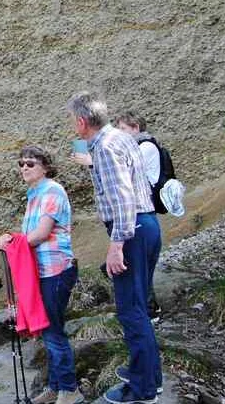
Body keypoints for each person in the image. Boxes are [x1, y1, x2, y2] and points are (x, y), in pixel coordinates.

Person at [67, 93, 162, 404]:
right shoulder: (120, 138)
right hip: (147, 225)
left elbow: (122, 197)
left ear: (81, 122)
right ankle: (149, 376)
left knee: (131, 311)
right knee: (139, 306)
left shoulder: (105, 148)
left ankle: (142, 389)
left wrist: (116, 245)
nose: (73, 126)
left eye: (73, 120)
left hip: (130, 230)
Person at [0, 147, 82, 404]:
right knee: (48, 330)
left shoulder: (52, 191)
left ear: (45, 166)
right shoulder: (34, 194)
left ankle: (70, 390)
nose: (23, 168)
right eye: (21, 164)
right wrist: (13, 240)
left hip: (56, 269)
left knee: (53, 331)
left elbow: (42, 234)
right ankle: (55, 387)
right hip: (42, 271)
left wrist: (11, 245)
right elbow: (29, 237)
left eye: (30, 164)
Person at [114, 111, 166, 318]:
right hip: (144, 212)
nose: (119, 135)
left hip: (143, 211)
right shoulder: (142, 146)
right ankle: (148, 309)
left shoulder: (144, 147)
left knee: (140, 267)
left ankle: (148, 312)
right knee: (141, 267)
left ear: (135, 127)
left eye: (123, 129)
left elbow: (126, 172)